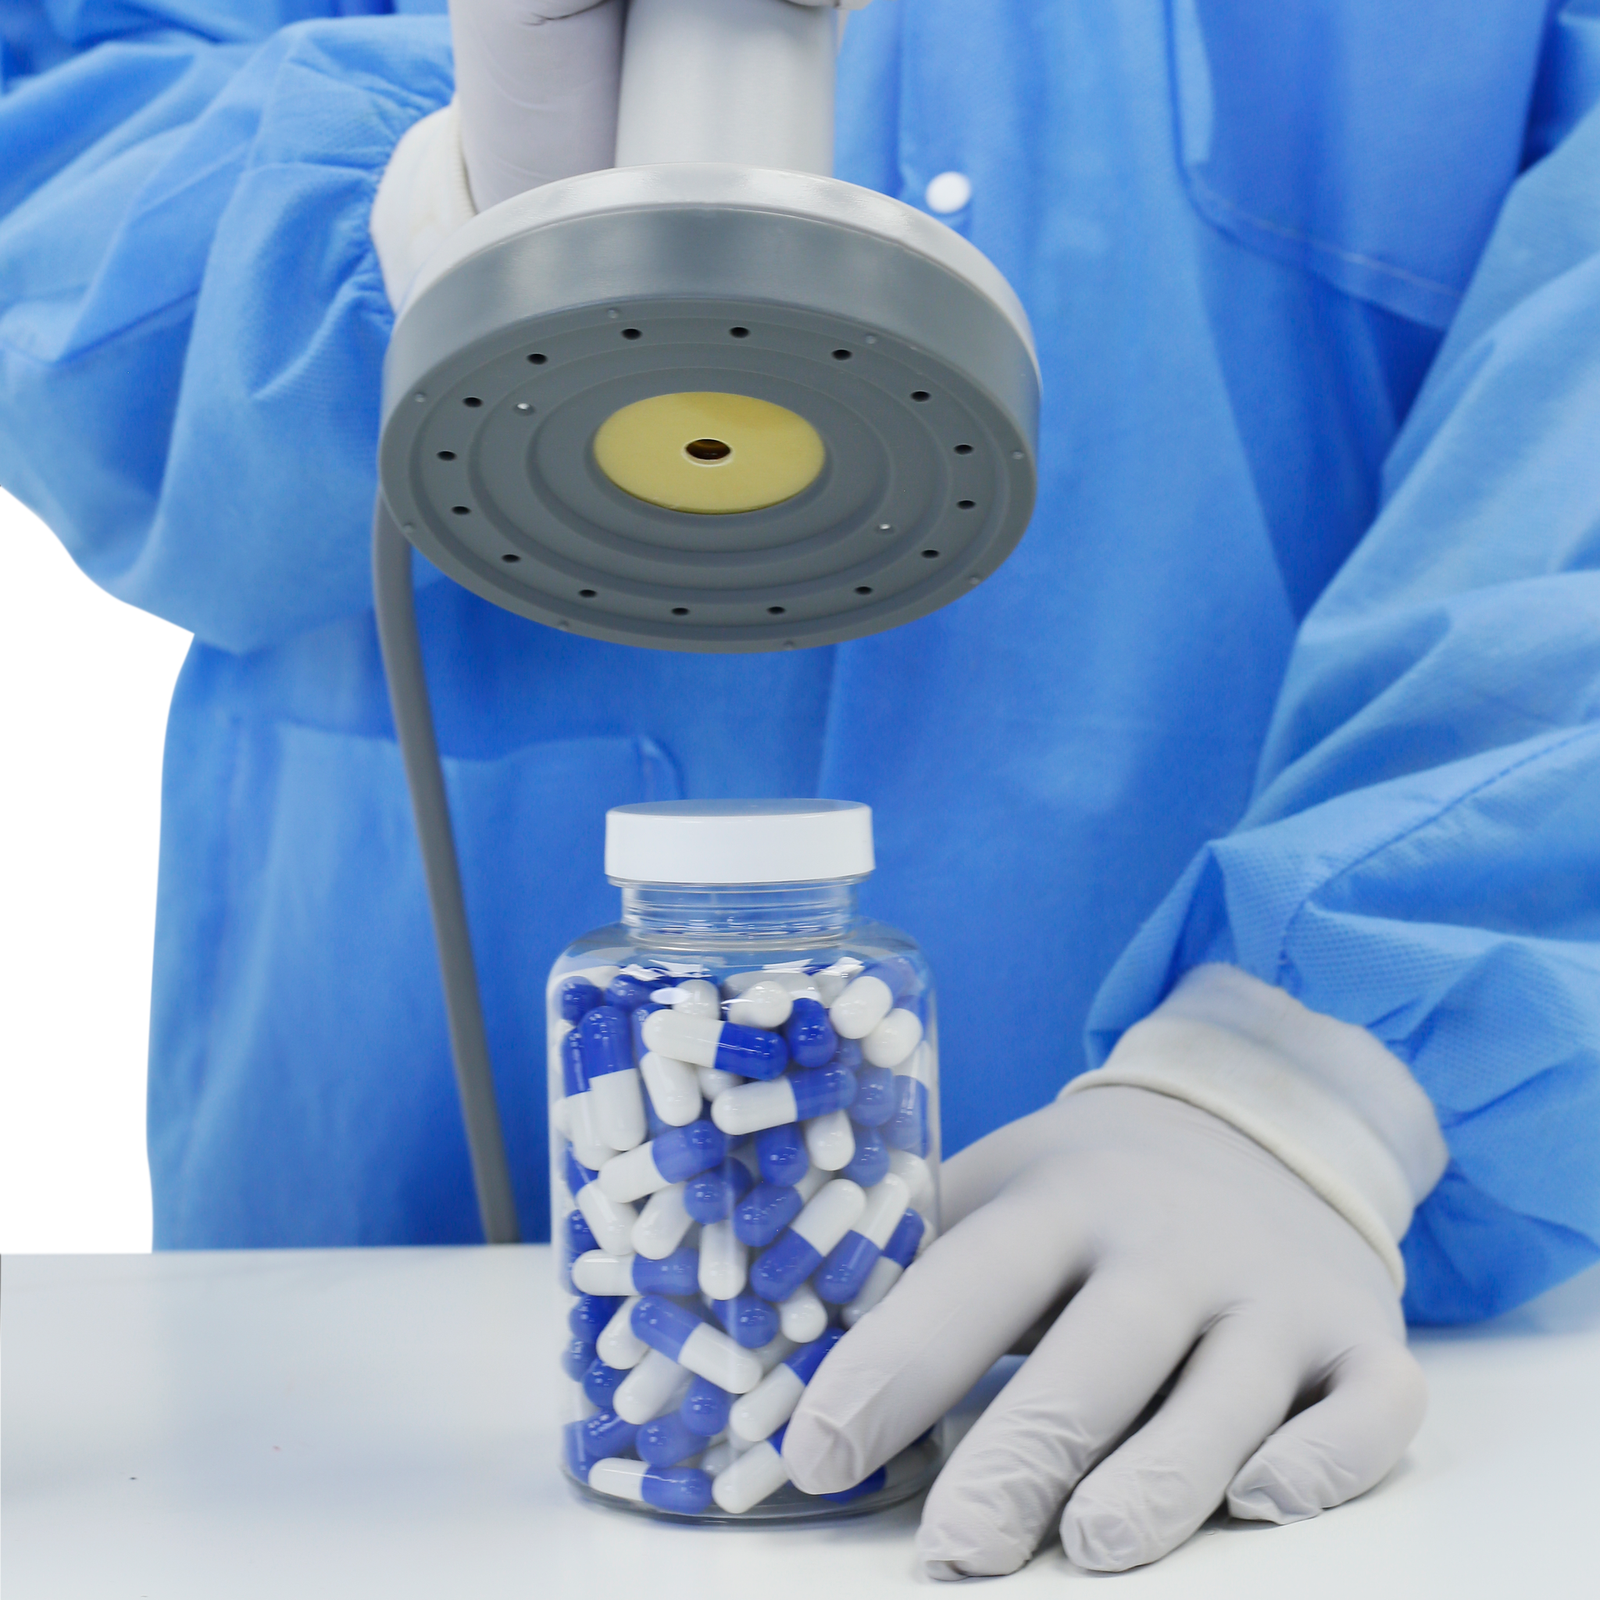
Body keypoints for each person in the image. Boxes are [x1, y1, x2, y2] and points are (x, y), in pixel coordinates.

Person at [3, 0, 1598, 1575]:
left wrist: (1307, 1080)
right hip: (341, 1382)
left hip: (1297, 1303)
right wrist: (419, 203)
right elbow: (52, 127)